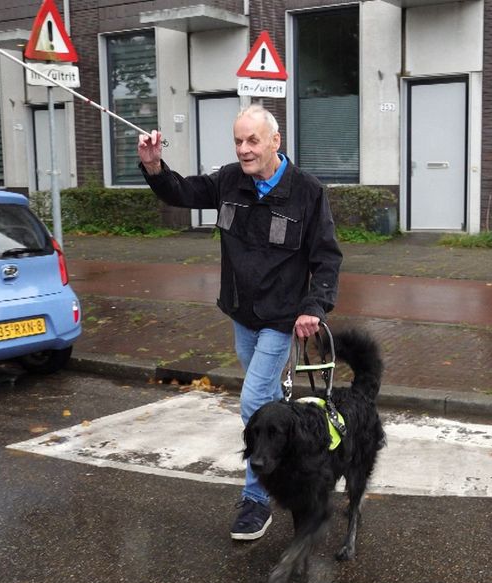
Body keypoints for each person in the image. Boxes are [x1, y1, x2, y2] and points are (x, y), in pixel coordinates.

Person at [138, 104, 342, 541]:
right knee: (268, 400)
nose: (244, 150)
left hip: (282, 318)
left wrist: (314, 306)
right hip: (241, 314)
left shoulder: (307, 192)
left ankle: (256, 500)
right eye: (238, 141)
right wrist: (154, 166)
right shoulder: (230, 179)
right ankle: (299, 474)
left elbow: (326, 256)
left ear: (275, 141)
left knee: (253, 404)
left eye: (252, 141)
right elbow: (182, 192)